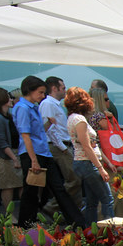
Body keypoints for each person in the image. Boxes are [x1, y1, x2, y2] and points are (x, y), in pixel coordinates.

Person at [14, 75, 86, 227]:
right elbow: (25, 136)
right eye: (40, 92)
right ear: (30, 91)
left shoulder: (32, 107)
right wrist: (33, 160)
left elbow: (38, 133)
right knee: (31, 191)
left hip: (43, 153)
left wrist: (48, 124)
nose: (42, 95)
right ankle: (26, 224)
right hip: (33, 154)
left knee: (58, 188)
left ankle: (77, 222)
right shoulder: (22, 107)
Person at [66, 87, 115, 224]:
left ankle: (90, 232)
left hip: (83, 162)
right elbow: (87, 146)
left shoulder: (72, 118)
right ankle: (112, 232)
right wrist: (100, 167)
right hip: (87, 162)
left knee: (92, 202)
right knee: (107, 199)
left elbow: (85, 143)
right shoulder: (80, 120)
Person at [39, 76, 82, 210]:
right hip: (58, 146)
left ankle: (72, 209)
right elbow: (50, 128)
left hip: (62, 145)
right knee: (73, 179)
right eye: (63, 88)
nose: (65, 91)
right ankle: (52, 208)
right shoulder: (48, 104)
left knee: (75, 179)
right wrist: (62, 147)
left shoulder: (53, 105)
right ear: (54, 88)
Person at [0, 87, 23, 213]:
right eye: (8, 96)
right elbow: (1, 142)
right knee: (8, 186)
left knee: (18, 184)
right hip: (2, 156)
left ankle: (21, 213)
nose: (11, 99)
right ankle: (9, 215)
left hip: (13, 153)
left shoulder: (8, 116)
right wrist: (14, 158)